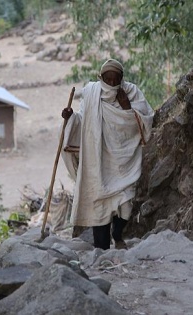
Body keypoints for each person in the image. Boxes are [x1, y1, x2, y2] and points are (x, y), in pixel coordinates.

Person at [61, 59, 154, 250]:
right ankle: (101, 253)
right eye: (107, 79)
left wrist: (127, 107)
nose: (111, 84)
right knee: (100, 205)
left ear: (122, 79)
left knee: (126, 202)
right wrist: (70, 119)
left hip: (123, 162)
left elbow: (145, 122)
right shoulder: (91, 93)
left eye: (115, 79)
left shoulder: (132, 92)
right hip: (98, 161)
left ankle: (117, 234)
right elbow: (82, 120)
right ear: (100, 78)